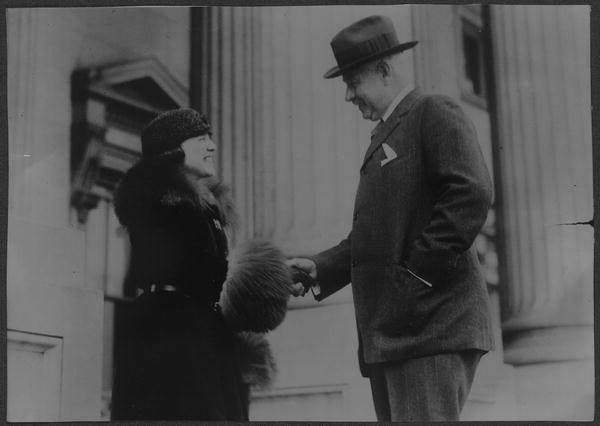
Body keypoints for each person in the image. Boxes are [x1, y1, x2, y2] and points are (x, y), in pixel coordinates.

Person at [287, 15, 495, 422]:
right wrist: (320, 268)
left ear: (384, 71)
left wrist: (415, 278)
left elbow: (471, 192)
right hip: (399, 335)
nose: (348, 96)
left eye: (352, 82)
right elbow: (374, 236)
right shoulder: (387, 134)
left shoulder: (432, 111)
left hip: (430, 330)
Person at [111, 108, 249, 420]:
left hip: (193, 334)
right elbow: (203, 271)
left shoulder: (198, 206)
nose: (212, 146)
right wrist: (266, 276)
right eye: (201, 139)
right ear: (174, 150)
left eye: (210, 137)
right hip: (175, 339)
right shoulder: (163, 204)